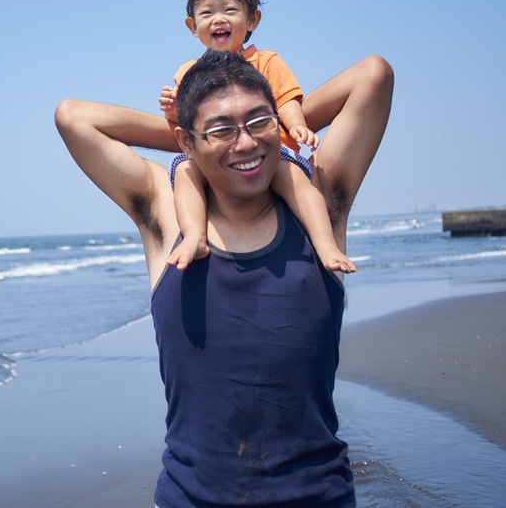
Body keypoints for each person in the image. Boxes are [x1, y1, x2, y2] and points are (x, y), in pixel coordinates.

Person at [55, 47, 392, 507]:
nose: (247, 144)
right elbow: (74, 117)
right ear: (185, 143)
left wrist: (278, 125)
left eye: (259, 122)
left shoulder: (318, 202)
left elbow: (373, 76)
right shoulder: (166, 212)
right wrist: (196, 131)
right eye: (223, 130)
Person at [158, 0, 362, 274]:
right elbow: (186, 124)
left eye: (230, 9)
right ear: (192, 25)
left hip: (270, 151)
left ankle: (325, 243)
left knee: (297, 182)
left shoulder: (265, 61)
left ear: (252, 19)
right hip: (212, 155)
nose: (218, 19)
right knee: (186, 172)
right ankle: (195, 236)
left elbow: (286, 100)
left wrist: (296, 126)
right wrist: (172, 109)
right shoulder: (189, 72)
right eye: (207, 13)